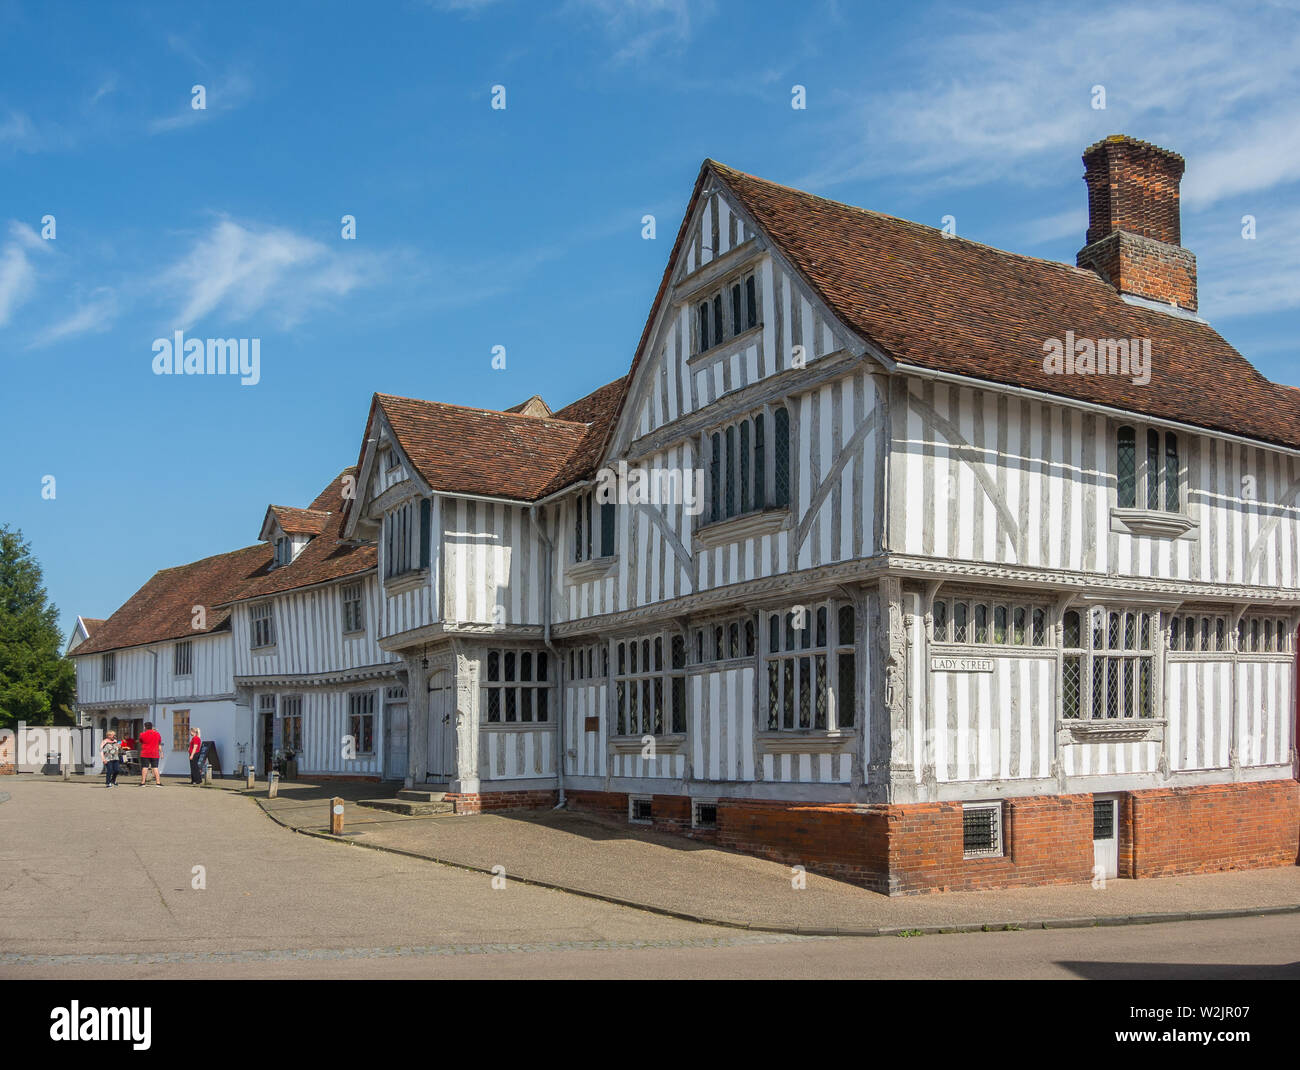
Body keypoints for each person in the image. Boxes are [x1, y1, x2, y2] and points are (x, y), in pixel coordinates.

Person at [137, 721, 163, 786]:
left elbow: (140, 741)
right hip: (155, 753)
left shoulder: (142, 734)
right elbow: (159, 742)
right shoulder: (157, 734)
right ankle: (158, 782)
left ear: (145, 727)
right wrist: (161, 752)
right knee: (155, 767)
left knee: (145, 767)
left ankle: (143, 782)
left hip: (145, 753)